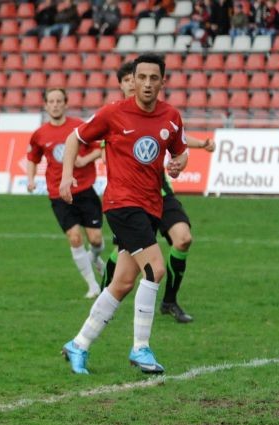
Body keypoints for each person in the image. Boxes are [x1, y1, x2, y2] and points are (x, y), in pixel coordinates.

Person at [59, 53, 189, 375]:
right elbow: (73, 138)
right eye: (141, 77)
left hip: (151, 207)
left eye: (153, 78)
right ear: (132, 80)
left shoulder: (171, 116)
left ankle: (79, 344)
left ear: (161, 81)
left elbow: (181, 151)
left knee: (122, 282)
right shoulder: (113, 113)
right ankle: (140, 349)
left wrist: (178, 164)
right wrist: (66, 176)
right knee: (156, 269)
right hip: (121, 204)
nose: (146, 84)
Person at [102, 62, 216, 324]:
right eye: (133, 79)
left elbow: (177, 140)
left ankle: (169, 301)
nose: (139, 84)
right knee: (122, 253)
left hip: (161, 193)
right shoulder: (113, 117)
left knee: (183, 239)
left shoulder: (160, 115)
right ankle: (105, 295)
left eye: (148, 78)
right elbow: (93, 144)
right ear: (124, 84)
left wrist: (197, 148)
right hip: (129, 198)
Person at [26, 88, 104, 299]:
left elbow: (99, 148)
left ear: (66, 103)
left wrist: (84, 161)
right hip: (58, 192)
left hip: (85, 189)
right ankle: (93, 285)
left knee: (96, 239)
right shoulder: (40, 134)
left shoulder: (79, 126)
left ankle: (94, 257)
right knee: (74, 236)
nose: (55, 105)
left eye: (59, 101)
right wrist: (31, 179)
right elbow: (32, 158)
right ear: (45, 105)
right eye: (51, 101)